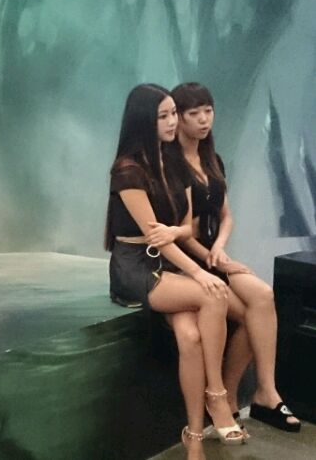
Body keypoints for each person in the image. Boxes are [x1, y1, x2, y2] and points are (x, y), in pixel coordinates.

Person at [105, 84, 242, 460]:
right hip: (135, 265)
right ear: (142, 121)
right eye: (162, 116)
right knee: (213, 293)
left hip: (167, 263)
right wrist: (198, 272)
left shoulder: (172, 163)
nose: (171, 122)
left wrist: (191, 246)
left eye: (172, 114)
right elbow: (155, 237)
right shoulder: (127, 171)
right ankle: (217, 395)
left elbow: (185, 228)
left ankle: (193, 437)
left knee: (190, 336)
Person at [171, 81, 299, 433]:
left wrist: (220, 249)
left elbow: (227, 216)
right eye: (194, 113)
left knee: (263, 296)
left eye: (208, 111)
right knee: (246, 312)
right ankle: (224, 397)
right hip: (185, 260)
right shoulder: (171, 165)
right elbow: (183, 232)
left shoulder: (212, 160)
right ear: (178, 118)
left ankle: (266, 392)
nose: (204, 119)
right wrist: (213, 257)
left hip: (213, 256)